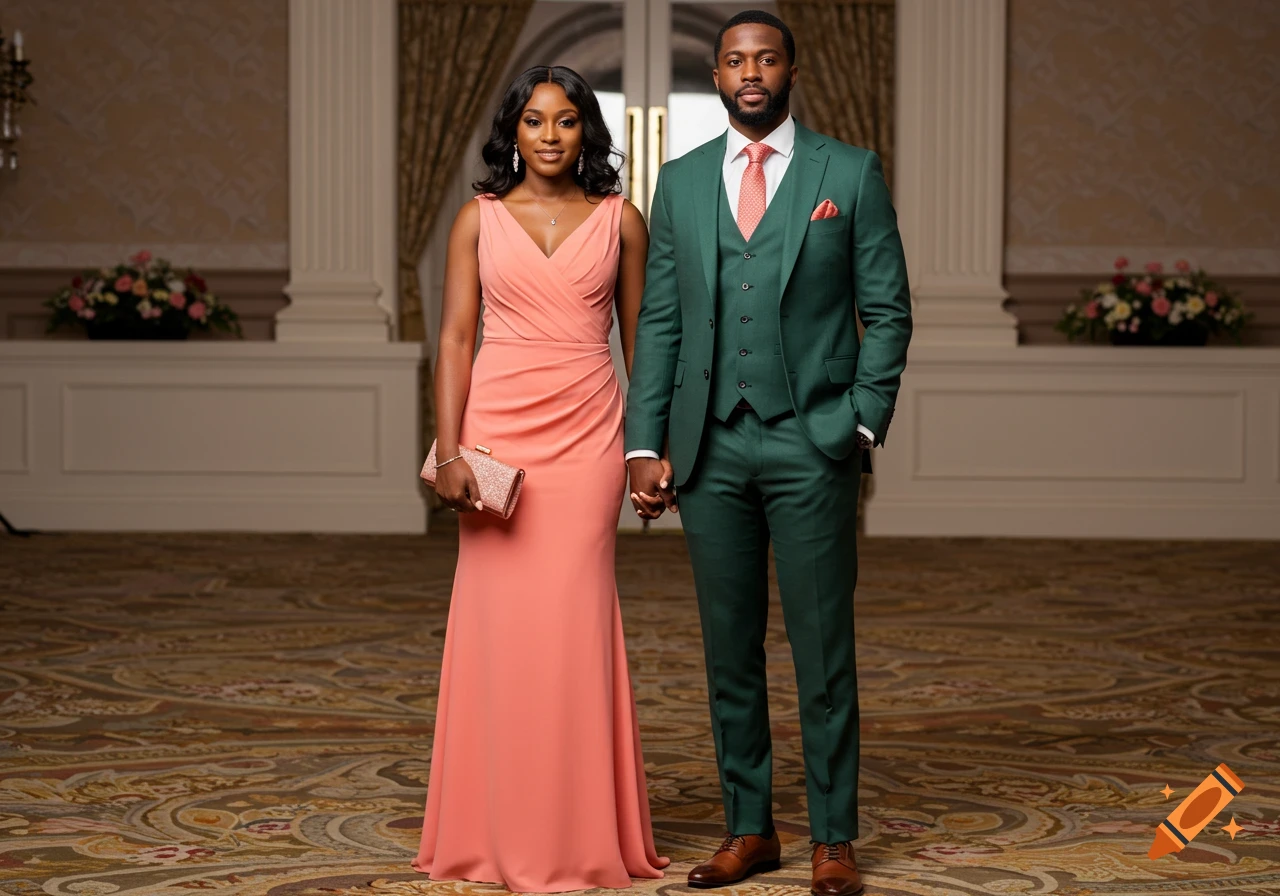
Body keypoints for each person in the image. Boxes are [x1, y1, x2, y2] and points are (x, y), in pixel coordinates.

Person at [625, 10, 912, 896]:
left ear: (791, 70)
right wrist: (646, 442)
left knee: (823, 648)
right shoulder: (679, 182)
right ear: (715, 76)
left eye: (767, 58)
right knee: (729, 650)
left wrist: (860, 421)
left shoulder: (848, 173)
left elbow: (887, 310)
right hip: (709, 446)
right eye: (735, 60)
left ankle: (833, 838)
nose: (751, 72)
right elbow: (661, 322)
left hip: (811, 440)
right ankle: (749, 828)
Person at [413, 65, 669, 892]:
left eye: (565, 120)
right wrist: (452, 450)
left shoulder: (621, 220)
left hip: (588, 439)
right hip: (498, 437)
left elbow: (643, 344)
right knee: (498, 629)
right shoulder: (477, 219)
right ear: (513, 132)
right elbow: (456, 340)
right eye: (533, 120)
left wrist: (647, 447)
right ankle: (489, 830)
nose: (549, 135)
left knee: (573, 625)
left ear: (585, 129)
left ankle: (578, 834)